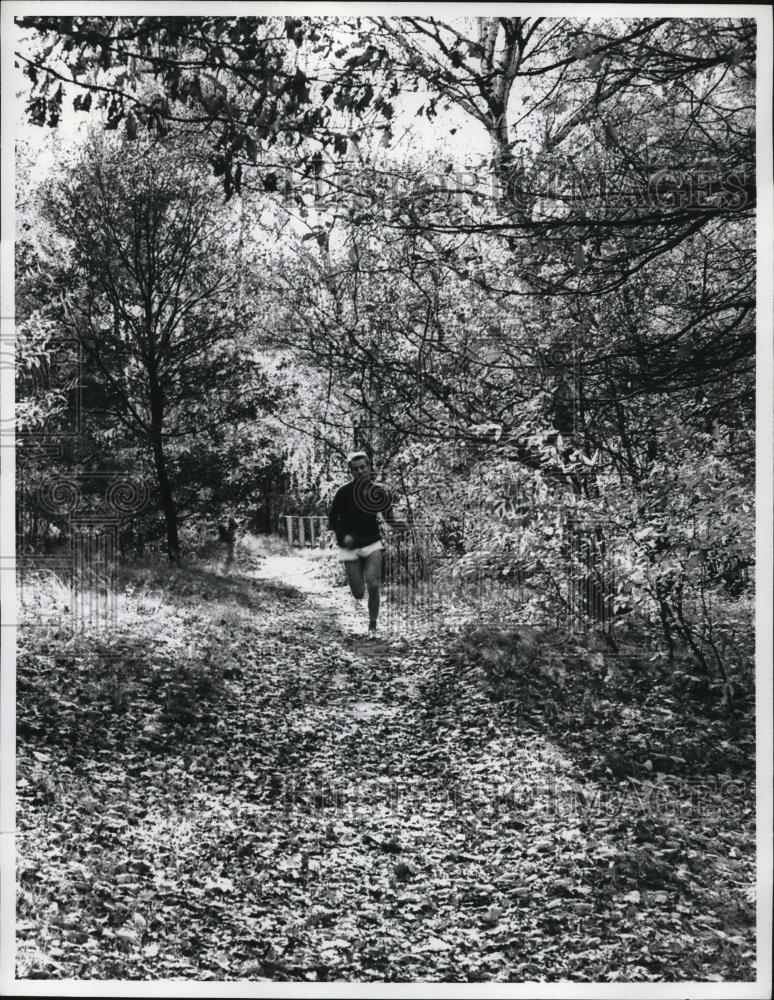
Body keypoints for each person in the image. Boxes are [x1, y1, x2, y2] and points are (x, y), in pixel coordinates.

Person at [328, 451, 406, 638]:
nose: (360, 471)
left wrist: (400, 526)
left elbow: (389, 518)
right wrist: (342, 535)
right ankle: (359, 596)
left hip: (372, 543)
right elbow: (332, 519)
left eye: (363, 467)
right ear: (351, 472)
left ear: (369, 467)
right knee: (358, 593)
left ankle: (372, 625)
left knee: (373, 583)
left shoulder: (378, 492)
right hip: (349, 548)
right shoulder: (343, 492)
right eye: (355, 469)